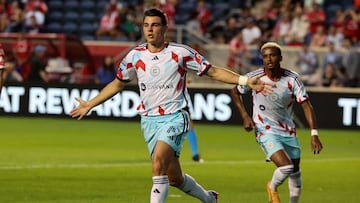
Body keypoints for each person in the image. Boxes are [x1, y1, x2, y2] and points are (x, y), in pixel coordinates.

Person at [70, 8, 270, 203]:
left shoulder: (180, 53)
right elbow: (118, 83)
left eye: (155, 25)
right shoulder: (134, 56)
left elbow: (213, 71)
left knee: (158, 165)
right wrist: (90, 104)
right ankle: (209, 198)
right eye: (146, 25)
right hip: (149, 121)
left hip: (175, 117)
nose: (149, 30)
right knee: (174, 178)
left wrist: (244, 81)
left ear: (165, 28)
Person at [230, 42, 323, 203]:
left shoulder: (292, 79)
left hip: (288, 130)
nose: (269, 59)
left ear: (280, 57)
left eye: (272, 55)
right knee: (286, 167)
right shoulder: (255, 77)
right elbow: (235, 91)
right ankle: (272, 188)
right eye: (265, 56)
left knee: (295, 171)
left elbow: (306, 106)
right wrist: (245, 116)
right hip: (264, 129)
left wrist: (314, 134)